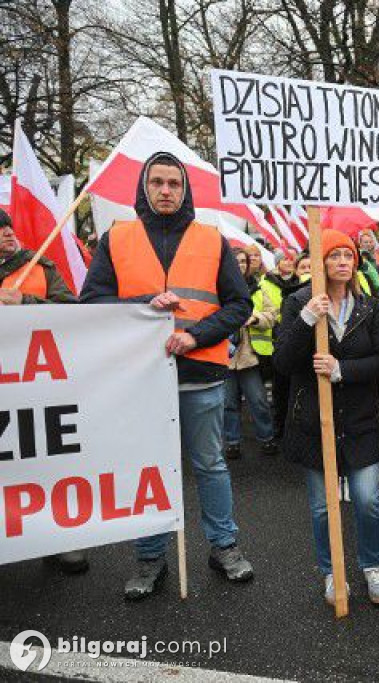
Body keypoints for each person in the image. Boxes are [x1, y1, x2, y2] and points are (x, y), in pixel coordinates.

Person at [80, 151, 255, 600]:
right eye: (157, 182)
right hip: (140, 379)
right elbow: (92, 301)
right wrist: (142, 304)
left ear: (185, 188)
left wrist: (195, 336)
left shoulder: (211, 238)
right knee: (148, 470)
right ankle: (150, 556)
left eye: (173, 183)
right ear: (143, 186)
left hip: (201, 374)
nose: (165, 191)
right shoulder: (116, 238)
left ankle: (224, 546)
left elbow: (239, 305)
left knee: (211, 465)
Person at [274, 230, 379, 606]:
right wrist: (307, 321)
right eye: (334, 255)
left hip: (360, 420)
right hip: (314, 422)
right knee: (322, 505)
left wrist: (343, 369)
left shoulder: (371, 306)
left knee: (367, 499)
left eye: (348, 255)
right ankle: (333, 572)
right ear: (321, 262)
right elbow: (282, 362)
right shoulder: (298, 301)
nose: (343, 261)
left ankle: (373, 565)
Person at [0, 208, 87, 575]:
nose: (6, 233)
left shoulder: (40, 267)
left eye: (7, 227)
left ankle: (58, 540)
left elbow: (71, 311)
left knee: (46, 463)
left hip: (39, 390)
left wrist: (26, 303)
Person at [224, 248, 277, 458]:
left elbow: (272, 315)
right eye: (236, 261)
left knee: (259, 401)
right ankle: (232, 442)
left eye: (244, 262)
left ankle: (267, 438)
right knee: (228, 404)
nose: (240, 265)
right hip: (225, 357)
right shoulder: (217, 287)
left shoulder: (257, 288)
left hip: (249, 356)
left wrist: (254, 318)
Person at [255, 249, 306, 440]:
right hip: (273, 342)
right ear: (277, 263)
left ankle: (297, 429)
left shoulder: (301, 283)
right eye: (285, 258)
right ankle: (281, 428)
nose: (289, 261)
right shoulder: (265, 283)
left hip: (298, 341)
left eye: (292, 257)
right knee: (280, 390)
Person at [0, 209, 76, 305]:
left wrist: (24, 301)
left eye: (10, 226)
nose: (9, 232)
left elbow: (69, 310)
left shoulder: (41, 267)